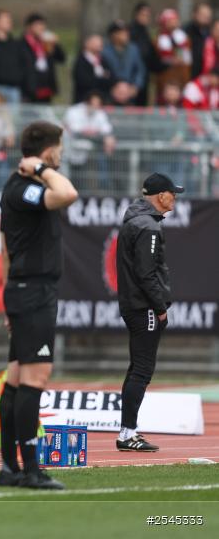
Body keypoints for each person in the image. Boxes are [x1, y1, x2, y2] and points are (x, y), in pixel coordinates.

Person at [0, 121, 78, 490]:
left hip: (24, 290)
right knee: (34, 378)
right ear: (48, 150)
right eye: (59, 148)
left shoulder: (22, 186)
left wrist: (8, 295)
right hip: (33, 292)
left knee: (16, 379)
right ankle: (29, 469)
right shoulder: (25, 187)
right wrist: (42, 169)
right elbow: (68, 194)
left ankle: (10, 468)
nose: (62, 155)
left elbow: (3, 248)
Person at [115, 173, 183, 453]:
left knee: (137, 369)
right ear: (160, 196)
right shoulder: (148, 226)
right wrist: (160, 307)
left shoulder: (137, 220)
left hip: (134, 304)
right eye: (172, 193)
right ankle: (127, 433)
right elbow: (146, 273)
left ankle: (127, 431)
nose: (175, 198)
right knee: (142, 370)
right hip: (144, 308)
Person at [20, 13, 65, 103]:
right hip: (29, 88)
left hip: (46, 87)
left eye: (43, 25)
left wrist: (55, 44)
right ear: (29, 27)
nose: (41, 28)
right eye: (37, 25)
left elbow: (61, 58)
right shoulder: (22, 44)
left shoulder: (46, 42)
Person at [102, 20, 146, 102]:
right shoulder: (104, 51)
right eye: (122, 33)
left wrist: (135, 86)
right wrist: (113, 87)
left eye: (126, 32)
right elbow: (103, 72)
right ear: (113, 35)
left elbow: (140, 70)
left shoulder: (134, 49)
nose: (126, 35)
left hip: (130, 92)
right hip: (110, 93)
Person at [129, 1, 163, 106]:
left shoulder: (147, 33)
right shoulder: (130, 32)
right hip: (132, 78)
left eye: (148, 15)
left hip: (145, 77)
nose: (146, 18)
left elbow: (151, 56)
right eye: (143, 15)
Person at [155, 9, 192, 102]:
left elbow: (188, 57)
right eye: (170, 21)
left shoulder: (183, 38)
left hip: (181, 77)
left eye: (175, 20)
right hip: (165, 78)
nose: (173, 23)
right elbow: (156, 60)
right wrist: (170, 60)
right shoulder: (158, 39)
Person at [183, 3, 212, 80]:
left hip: (205, 73)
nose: (206, 17)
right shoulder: (186, 31)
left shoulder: (210, 32)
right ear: (194, 14)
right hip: (189, 72)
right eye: (203, 14)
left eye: (208, 15)